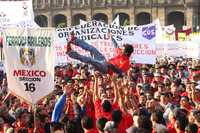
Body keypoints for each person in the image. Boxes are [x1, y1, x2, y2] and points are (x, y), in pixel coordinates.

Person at [66, 34, 134, 77]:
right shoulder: (121, 53)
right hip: (104, 61)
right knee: (92, 49)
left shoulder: (126, 63)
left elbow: (119, 72)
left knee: (90, 60)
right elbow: (116, 46)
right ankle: (74, 40)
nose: (121, 49)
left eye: (123, 49)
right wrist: (111, 37)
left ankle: (70, 53)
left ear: (126, 53)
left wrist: (110, 65)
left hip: (106, 69)